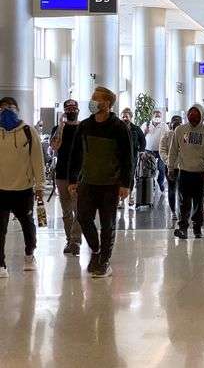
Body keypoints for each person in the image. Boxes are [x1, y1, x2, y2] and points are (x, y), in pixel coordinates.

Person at [67, 87, 133, 278]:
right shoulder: (85, 125)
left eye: (97, 99)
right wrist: (73, 179)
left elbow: (128, 157)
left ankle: (104, 260)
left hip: (110, 184)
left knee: (108, 223)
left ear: (108, 104)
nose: (93, 102)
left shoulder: (119, 127)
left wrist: (125, 184)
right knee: (84, 217)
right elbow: (76, 153)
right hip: (87, 182)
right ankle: (96, 250)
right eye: (92, 98)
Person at [0, 97, 45, 277]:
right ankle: (1, 263)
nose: (7, 111)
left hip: (23, 189)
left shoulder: (28, 131)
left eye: (10, 108)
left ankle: (29, 254)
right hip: (1, 189)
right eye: (2, 108)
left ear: (18, 110)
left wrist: (40, 186)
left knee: (28, 225)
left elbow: (37, 160)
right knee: (0, 228)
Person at [168, 104, 204, 239]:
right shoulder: (180, 130)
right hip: (184, 171)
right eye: (191, 116)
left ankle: (197, 227)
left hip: (200, 173)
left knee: (199, 202)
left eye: (196, 116)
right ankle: (182, 228)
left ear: (201, 116)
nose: (193, 119)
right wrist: (171, 167)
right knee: (183, 201)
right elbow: (173, 150)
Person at [49, 99, 82, 256]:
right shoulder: (58, 128)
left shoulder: (83, 128)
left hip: (79, 175)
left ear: (78, 110)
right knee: (66, 210)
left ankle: (76, 240)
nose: (71, 111)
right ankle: (70, 240)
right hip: (62, 174)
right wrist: (61, 125)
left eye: (73, 108)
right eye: (68, 108)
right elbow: (55, 146)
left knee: (79, 210)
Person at [120, 107, 146, 207]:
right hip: (119, 157)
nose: (125, 118)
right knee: (119, 177)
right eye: (123, 117)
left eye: (126, 117)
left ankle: (130, 196)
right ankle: (120, 199)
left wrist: (142, 151)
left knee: (130, 177)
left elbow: (142, 140)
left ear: (130, 117)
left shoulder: (136, 129)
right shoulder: (118, 128)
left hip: (132, 157)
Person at [160, 115, 182, 221]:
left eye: (179, 122)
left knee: (183, 190)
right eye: (174, 122)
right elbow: (162, 149)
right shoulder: (167, 135)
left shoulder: (185, 135)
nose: (176, 124)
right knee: (172, 189)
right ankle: (173, 211)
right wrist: (168, 162)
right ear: (171, 124)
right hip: (170, 167)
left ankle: (182, 211)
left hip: (183, 167)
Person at [142, 109, 168, 193]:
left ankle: (160, 182)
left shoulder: (164, 126)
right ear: (152, 116)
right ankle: (151, 184)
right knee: (149, 169)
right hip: (148, 150)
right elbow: (141, 137)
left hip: (161, 150)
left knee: (161, 168)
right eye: (156, 116)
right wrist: (145, 132)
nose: (157, 118)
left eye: (159, 116)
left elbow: (168, 137)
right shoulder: (146, 124)